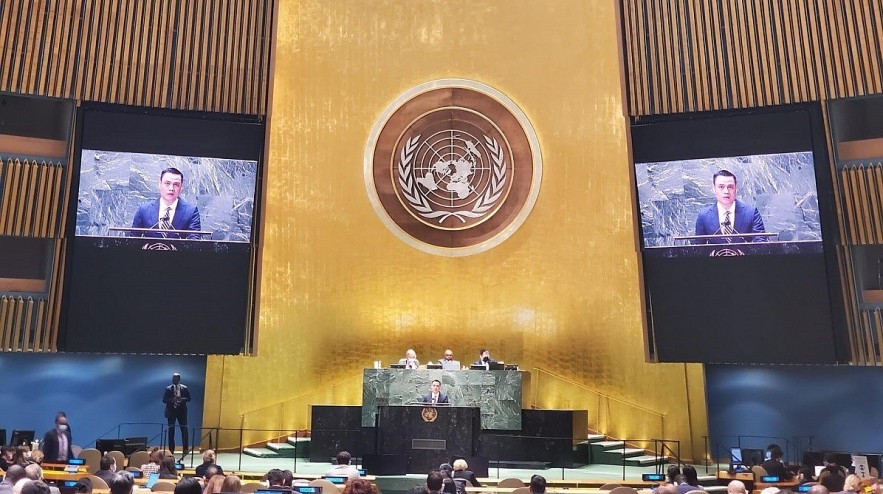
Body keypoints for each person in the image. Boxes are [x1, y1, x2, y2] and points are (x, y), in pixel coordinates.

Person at [694, 169, 765, 244]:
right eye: (721, 187)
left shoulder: (751, 213)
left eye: (730, 187)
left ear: (736, 189)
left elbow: (760, 243)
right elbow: (699, 247)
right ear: (714, 189)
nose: (726, 191)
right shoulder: (703, 216)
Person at [131, 167, 202, 239]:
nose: (171, 188)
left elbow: (194, 242)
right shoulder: (144, 210)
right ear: (159, 184)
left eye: (176, 185)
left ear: (181, 188)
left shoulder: (191, 211)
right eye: (167, 183)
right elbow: (132, 238)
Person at [163, 373, 191, 457]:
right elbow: (164, 400)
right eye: (172, 378)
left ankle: (185, 449)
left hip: (182, 412)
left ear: (178, 379)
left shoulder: (184, 388)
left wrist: (181, 399)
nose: (173, 380)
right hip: (171, 412)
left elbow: (189, 398)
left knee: (184, 430)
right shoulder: (168, 389)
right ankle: (171, 450)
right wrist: (172, 400)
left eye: (175, 378)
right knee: (171, 431)